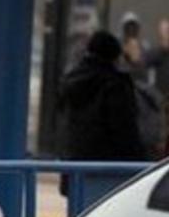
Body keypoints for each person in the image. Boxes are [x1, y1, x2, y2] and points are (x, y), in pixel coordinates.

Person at [57, 31, 147, 162]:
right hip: (107, 164)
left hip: (72, 163)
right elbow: (124, 128)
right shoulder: (115, 84)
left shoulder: (69, 81)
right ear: (114, 56)